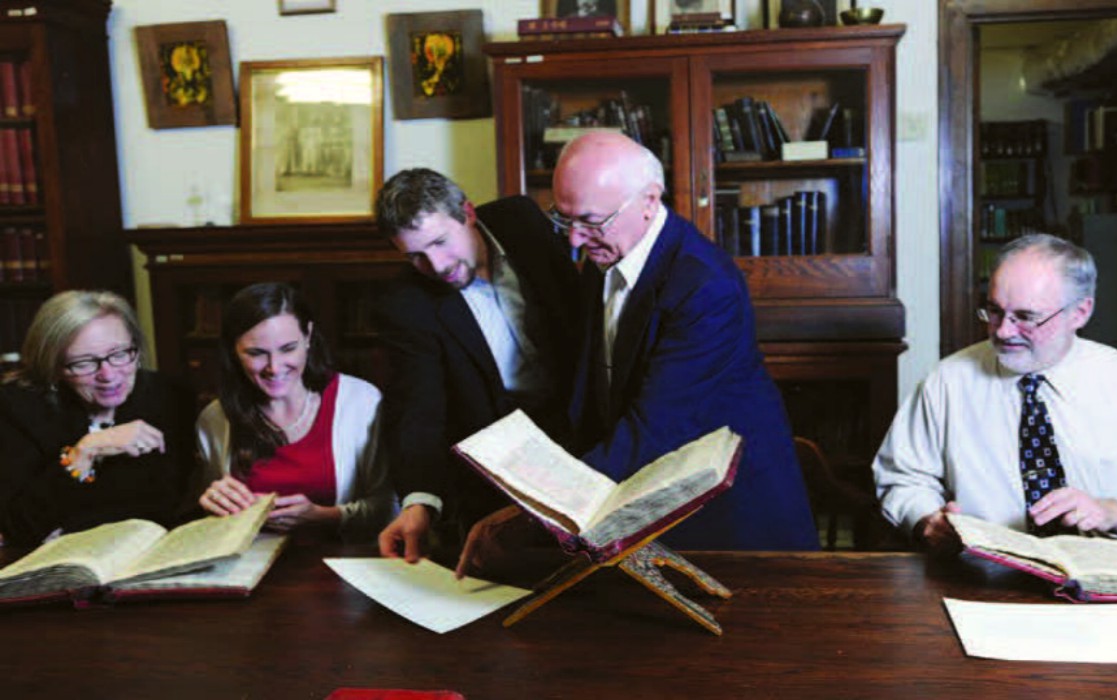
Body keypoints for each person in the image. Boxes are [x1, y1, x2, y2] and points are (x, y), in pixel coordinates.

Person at [459, 131, 819, 569]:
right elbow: (595, 395)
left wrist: (530, 516)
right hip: (651, 497)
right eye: (563, 218)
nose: (574, 240)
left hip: (734, 519)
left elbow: (652, 430)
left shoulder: (706, 286)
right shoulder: (605, 251)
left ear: (650, 200)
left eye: (591, 221)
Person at [873, 234, 1117, 554]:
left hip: (1107, 577)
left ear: (1080, 313)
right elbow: (903, 477)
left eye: (1026, 317)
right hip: (979, 575)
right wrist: (926, 521)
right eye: (994, 311)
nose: (1003, 331)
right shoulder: (947, 381)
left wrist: (1115, 512)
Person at [373, 168, 578, 563]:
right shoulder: (406, 304)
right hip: (498, 472)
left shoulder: (523, 222)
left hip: (585, 441)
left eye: (439, 242)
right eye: (415, 255)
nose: (435, 265)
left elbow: (581, 318)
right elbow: (419, 410)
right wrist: (419, 501)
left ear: (468, 213)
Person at [196, 282, 394, 542]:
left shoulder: (361, 402)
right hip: (247, 568)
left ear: (308, 336)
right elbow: (219, 527)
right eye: (256, 353)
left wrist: (323, 515)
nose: (274, 367)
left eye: (288, 349)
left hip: (342, 564)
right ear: (233, 351)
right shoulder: (214, 419)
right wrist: (214, 506)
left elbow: (390, 510)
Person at [0, 290, 196, 546]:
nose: (108, 374)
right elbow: (19, 524)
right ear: (54, 366)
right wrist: (84, 452)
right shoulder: (17, 407)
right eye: (83, 363)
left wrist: (72, 522)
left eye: (119, 354)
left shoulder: (169, 396)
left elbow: (166, 504)